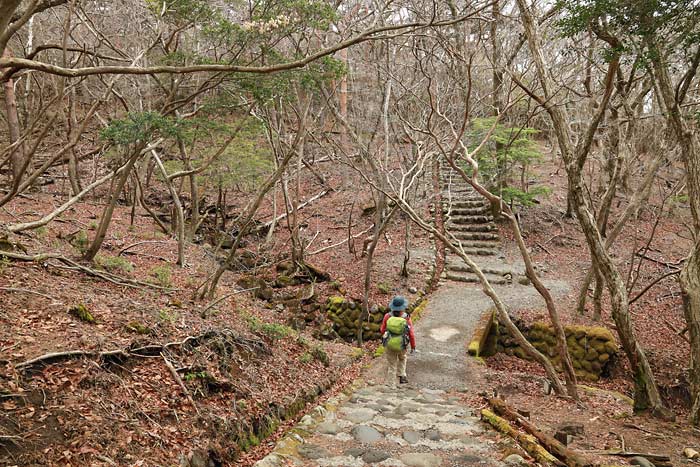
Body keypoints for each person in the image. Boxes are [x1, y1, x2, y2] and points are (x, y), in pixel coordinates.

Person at [380, 295, 416, 386]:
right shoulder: (406, 317)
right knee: (403, 358)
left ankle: (391, 384)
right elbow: (411, 333)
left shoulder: (387, 316)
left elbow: (382, 330)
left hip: (390, 343)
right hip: (402, 344)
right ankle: (402, 376)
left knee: (392, 364)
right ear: (403, 308)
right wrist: (413, 346)